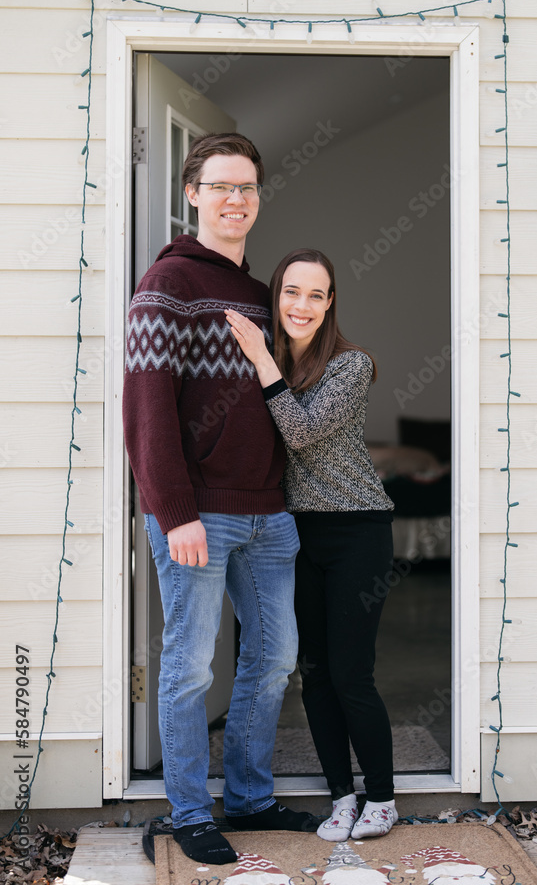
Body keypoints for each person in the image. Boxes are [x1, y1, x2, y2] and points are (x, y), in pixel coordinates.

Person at [122, 134, 317, 867]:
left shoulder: (261, 293)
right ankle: (189, 811)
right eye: (222, 186)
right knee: (191, 666)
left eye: (249, 188)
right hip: (198, 512)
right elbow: (145, 410)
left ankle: (249, 796)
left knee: (273, 659)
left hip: (268, 511)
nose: (237, 199)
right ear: (193, 194)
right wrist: (174, 513)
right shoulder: (166, 283)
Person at [225, 248, 398, 843]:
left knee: (353, 674)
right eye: (291, 292)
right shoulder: (271, 363)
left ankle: (382, 797)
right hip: (298, 533)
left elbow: (298, 434)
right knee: (315, 673)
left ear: (329, 305)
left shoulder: (350, 365)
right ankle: (342, 797)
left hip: (358, 531)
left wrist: (259, 360)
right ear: (276, 298)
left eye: (316, 295)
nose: (302, 305)